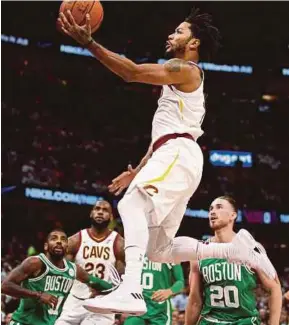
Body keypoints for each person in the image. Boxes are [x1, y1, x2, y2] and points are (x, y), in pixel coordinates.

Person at [58, 7, 276, 315]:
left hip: (177, 153)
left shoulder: (185, 69)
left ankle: (130, 290)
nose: (171, 35)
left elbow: (131, 72)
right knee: (158, 251)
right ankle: (232, 250)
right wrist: (138, 170)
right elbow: (165, 133)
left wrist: (89, 43)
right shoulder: (181, 80)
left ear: (194, 43)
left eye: (179, 31)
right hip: (175, 155)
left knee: (131, 205)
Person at [185, 196, 282, 325]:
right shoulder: (199, 252)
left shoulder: (250, 248)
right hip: (210, 321)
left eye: (219, 207)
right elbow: (195, 300)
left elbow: (274, 288)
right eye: (211, 209)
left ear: (233, 215)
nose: (212, 212)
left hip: (243, 321)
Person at [1, 229, 113, 325]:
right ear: (46, 246)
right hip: (23, 322)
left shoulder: (74, 270)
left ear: (67, 247)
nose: (59, 241)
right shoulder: (35, 263)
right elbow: (5, 286)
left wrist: (118, 289)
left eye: (63, 239)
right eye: (54, 239)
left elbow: (96, 282)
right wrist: (38, 295)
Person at [56, 200, 125, 325]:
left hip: (103, 303)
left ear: (110, 217)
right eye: (97, 209)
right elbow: (62, 271)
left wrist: (106, 290)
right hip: (76, 300)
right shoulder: (77, 239)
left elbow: (121, 280)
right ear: (91, 213)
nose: (100, 212)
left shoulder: (118, 243)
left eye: (105, 210)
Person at [124, 255, 184, 325]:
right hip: (138, 304)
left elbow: (180, 282)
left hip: (160, 308)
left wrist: (169, 291)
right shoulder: (137, 249)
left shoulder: (170, 252)